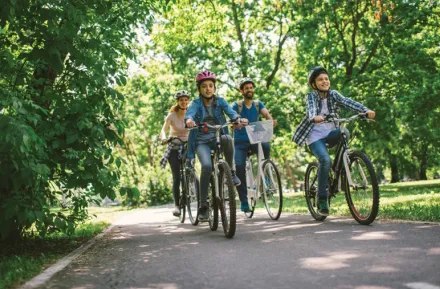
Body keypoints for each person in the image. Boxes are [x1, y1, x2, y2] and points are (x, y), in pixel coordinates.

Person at [292, 66, 376, 216]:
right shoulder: (311, 97)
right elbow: (311, 109)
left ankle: (342, 167)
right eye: (320, 79)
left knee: (346, 132)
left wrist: (365, 110)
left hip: (331, 133)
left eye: (326, 79)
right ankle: (322, 198)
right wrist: (314, 117)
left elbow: (348, 102)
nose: (324, 81)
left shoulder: (334, 95)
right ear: (313, 84)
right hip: (315, 137)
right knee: (325, 160)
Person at [185, 70, 248, 221]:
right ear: (199, 89)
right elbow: (190, 114)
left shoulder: (220, 101)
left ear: (214, 88)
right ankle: (203, 206)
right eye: (204, 86)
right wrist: (189, 121)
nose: (208, 89)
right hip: (201, 141)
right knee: (206, 166)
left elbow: (231, 113)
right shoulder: (195, 103)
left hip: (218, 136)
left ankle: (231, 172)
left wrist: (238, 119)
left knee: (228, 138)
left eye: (211, 86)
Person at [232, 77, 277, 212]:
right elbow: (232, 118)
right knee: (239, 166)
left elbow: (266, 114)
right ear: (241, 91)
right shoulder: (237, 105)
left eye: (251, 87)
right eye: (246, 88)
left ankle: (265, 176)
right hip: (240, 142)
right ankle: (244, 201)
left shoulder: (258, 104)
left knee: (266, 146)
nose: (249, 90)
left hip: (255, 139)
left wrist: (270, 120)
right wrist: (237, 122)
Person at [160, 90, 190, 217]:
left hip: (188, 146)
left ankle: (194, 190)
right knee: (177, 177)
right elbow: (163, 130)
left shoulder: (191, 114)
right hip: (174, 147)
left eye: (185, 100)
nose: (183, 102)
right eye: (181, 100)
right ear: (177, 102)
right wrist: (163, 138)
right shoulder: (171, 116)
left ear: (188, 101)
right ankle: (177, 206)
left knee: (190, 169)